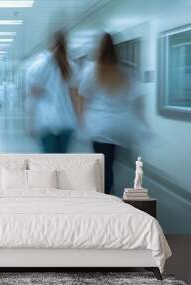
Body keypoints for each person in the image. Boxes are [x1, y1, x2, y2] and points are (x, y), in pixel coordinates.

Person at [79, 33, 143, 194]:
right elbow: (136, 98)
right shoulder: (125, 70)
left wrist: (82, 120)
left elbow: (84, 97)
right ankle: (107, 191)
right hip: (118, 126)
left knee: (102, 164)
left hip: (99, 126)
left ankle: (105, 193)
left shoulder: (91, 70)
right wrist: (143, 124)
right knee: (110, 162)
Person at [26, 31, 79, 153]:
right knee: (62, 161)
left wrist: (30, 121)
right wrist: (78, 121)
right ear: (66, 45)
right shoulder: (72, 67)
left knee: (49, 162)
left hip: (46, 122)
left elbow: (33, 97)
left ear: (50, 45)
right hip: (66, 121)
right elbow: (75, 97)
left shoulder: (38, 67)